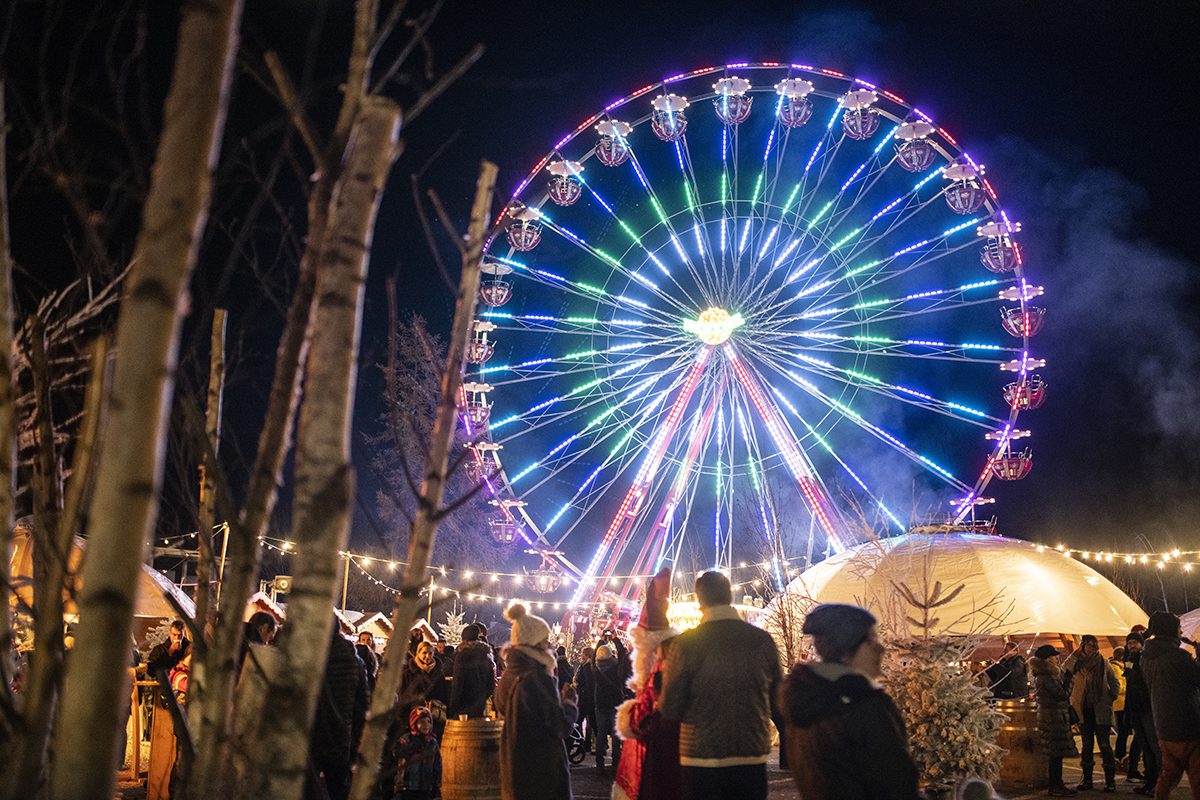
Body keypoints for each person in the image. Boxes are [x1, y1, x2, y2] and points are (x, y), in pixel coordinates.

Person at [658, 570, 781, 800]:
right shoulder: (762, 641)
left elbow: (670, 707)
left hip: (700, 754)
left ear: (699, 599)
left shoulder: (685, 645)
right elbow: (779, 697)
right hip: (751, 753)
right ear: (729, 595)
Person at [781, 603, 920, 800]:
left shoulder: (804, 699)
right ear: (846, 650)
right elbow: (897, 785)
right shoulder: (865, 706)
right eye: (871, 640)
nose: (880, 648)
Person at [493, 603, 576, 800]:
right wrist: (569, 704)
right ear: (535, 643)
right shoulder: (538, 678)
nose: (549, 646)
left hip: (516, 768)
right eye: (545, 641)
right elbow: (559, 726)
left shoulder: (508, 676)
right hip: (542, 772)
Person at [614, 567, 682, 800]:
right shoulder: (667, 666)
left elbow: (645, 718)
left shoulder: (659, 673)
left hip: (656, 757)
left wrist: (629, 715)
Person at [1140, 610, 1200, 800]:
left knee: (1168, 776)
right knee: (1198, 778)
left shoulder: (1146, 657)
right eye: (1179, 628)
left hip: (1164, 725)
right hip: (1188, 724)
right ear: (1171, 630)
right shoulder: (1178, 657)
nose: (1181, 632)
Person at [306, 622, 369, 800]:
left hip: (311, 735)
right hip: (341, 735)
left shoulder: (309, 659)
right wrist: (356, 738)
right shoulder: (355, 661)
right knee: (339, 789)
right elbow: (363, 703)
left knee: (307, 789)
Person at [1063, 634, 1119, 791]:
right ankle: (1087, 779)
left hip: (1100, 708)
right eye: (1089, 645)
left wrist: (1111, 696)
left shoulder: (1104, 663)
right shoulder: (1077, 663)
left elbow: (1114, 682)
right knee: (1087, 745)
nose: (1092, 648)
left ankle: (1110, 781)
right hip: (1083, 709)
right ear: (1083, 646)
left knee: (1104, 745)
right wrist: (1074, 655)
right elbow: (1064, 670)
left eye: (1094, 645)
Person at [1030, 644, 1079, 797]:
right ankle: (1056, 785)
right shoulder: (1046, 676)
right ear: (1047, 659)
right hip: (1053, 719)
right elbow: (1062, 694)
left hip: (1052, 718)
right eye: (1053, 656)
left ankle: (1057, 784)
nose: (1056, 658)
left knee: (1055, 754)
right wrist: (1069, 680)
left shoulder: (1043, 675)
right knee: (1055, 755)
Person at [1124, 631, 1161, 794]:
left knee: (1153, 745)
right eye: (1130, 643)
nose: (1132, 645)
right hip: (1136, 709)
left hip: (1147, 707)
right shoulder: (1129, 660)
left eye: (1135, 642)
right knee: (1145, 745)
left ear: (1141, 644)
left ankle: (1159, 782)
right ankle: (1150, 779)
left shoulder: (1145, 660)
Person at [393, 705, 442, 800]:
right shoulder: (406, 739)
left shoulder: (432, 742)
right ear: (414, 723)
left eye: (429, 722)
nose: (426, 725)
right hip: (407, 785)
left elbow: (437, 763)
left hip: (426, 785)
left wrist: (436, 784)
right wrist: (412, 747)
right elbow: (397, 752)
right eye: (422, 722)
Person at [449, 622, 496, 719]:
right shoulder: (485, 655)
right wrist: (483, 697)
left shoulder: (462, 655)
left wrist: (452, 707)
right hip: (480, 703)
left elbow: (457, 683)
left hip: (463, 703)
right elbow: (491, 682)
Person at [591, 641, 626, 770]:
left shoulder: (595, 668)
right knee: (615, 734)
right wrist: (615, 640)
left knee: (601, 734)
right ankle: (615, 763)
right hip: (615, 703)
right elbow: (622, 654)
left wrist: (600, 641)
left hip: (600, 704)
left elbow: (593, 658)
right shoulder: (616, 667)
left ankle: (600, 763)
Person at [574, 646, 597, 753]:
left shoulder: (587, 667)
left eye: (583, 653)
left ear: (587, 655)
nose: (581, 655)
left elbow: (588, 684)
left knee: (578, 721)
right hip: (590, 699)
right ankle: (593, 744)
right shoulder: (590, 666)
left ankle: (579, 743)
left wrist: (578, 686)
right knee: (592, 723)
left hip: (585, 699)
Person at [1109, 646, 1129, 766]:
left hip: (1121, 703)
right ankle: (1120, 755)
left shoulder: (1120, 667)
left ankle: (1120, 754)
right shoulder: (1116, 668)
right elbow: (1118, 686)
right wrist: (1129, 687)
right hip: (1120, 704)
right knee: (1123, 731)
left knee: (1123, 731)